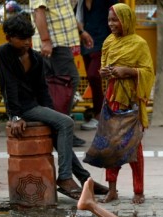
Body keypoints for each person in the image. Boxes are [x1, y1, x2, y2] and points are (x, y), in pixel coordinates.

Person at [0, 14, 108, 200]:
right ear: (9, 37)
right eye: (21, 39)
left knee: (59, 129)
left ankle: (86, 180)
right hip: (22, 108)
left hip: (36, 106)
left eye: (28, 38)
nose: (26, 43)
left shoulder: (36, 58)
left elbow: (43, 90)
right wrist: (14, 116)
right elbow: (9, 85)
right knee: (66, 123)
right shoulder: (3, 53)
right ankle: (64, 178)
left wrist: (51, 114)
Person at [94, 3, 155, 204]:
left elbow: (148, 72)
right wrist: (104, 72)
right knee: (111, 146)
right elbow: (104, 67)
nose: (111, 24)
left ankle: (139, 191)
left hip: (130, 101)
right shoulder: (108, 42)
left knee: (133, 146)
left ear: (126, 20)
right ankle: (112, 190)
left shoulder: (139, 44)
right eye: (109, 19)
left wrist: (128, 72)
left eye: (115, 20)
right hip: (112, 99)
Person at [30, 0, 86, 147]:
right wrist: (46, 41)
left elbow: (63, 11)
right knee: (67, 84)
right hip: (54, 45)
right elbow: (39, 12)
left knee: (56, 88)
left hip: (59, 43)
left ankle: (58, 129)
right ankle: (61, 129)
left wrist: (81, 32)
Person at [74, 0, 118, 131]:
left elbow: (116, 17)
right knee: (91, 78)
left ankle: (100, 115)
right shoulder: (80, 2)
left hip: (103, 42)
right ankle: (99, 112)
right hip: (86, 43)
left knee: (94, 75)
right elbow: (76, 17)